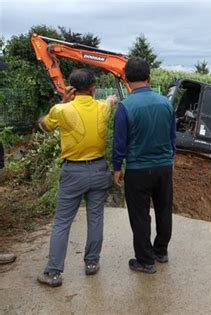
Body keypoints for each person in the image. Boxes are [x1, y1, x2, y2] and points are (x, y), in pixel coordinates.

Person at [37, 69, 118, 287]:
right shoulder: (103, 107)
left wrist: (62, 101)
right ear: (93, 87)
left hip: (73, 172)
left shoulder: (61, 110)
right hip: (100, 169)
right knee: (96, 218)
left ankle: (53, 273)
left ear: (71, 88)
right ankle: (92, 263)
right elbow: (110, 102)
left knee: (62, 222)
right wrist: (112, 98)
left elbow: (44, 125)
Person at [113, 57, 176, 274]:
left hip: (138, 170)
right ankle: (161, 251)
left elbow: (119, 142)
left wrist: (116, 168)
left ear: (127, 80)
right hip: (164, 167)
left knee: (140, 215)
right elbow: (172, 137)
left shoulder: (124, 107)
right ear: (149, 78)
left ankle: (145, 260)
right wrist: (169, 159)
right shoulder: (166, 103)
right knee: (164, 209)